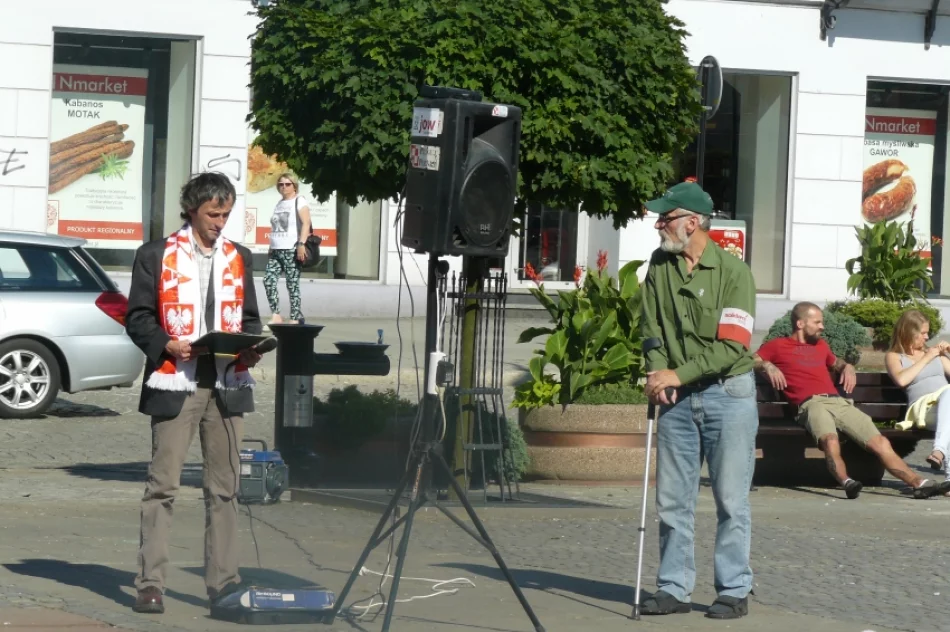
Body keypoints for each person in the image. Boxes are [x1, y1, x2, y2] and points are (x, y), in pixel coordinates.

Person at [125, 172, 263, 614]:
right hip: (175, 380)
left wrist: (253, 347)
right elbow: (139, 317)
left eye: (226, 214)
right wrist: (165, 343)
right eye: (213, 214)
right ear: (191, 209)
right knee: (162, 486)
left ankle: (223, 583)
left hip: (226, 383)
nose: (220, 222)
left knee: (224, 489)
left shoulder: (238, 257)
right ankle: (151, 584)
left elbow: (250, 320)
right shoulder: (155, 255)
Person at [639, 181, 758, 620]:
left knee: (730, 498)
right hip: (675, 397)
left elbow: (733, 347)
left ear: (692, 222)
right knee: (672, 499)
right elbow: (650, 325)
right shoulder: (659, 264)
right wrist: (657, 371)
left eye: (666, 218)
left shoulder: (734, 273)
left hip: (728, 395)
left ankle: (733, 589)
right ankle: (673, 587)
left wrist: (677, 372)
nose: (658, 225)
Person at [754, 302, 950, 501]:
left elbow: (835, 362)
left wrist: (847, 366)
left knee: (880, 442)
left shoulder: (820, 346)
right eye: (817, 322)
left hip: (838, 403)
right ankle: (847, 481)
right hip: (809, 404)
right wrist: (767, 365)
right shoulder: (777, 346)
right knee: (830, 440)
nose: (823, 326)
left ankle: (919, 483)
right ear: (800, 324)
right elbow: (751, 359)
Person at [884, 309, 950, 473]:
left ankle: (940, 455)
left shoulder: (936, 354)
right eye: (923, 333)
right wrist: (927, 358)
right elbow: (901, 380)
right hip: (923, 409)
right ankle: (940, 450)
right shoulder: (895, 356)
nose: (927, 337)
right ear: (909, 332)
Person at [263, 172, 310, 327]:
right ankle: (276, 314)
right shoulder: (279, 203)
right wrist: (271, 246)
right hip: (276, 249)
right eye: (281, 184)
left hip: (291, 248)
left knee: (292, 284)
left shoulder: (299, 201)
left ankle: (295, 317)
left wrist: (301, 244)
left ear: (294, 185)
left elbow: (306, 223)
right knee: (268, 280)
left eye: (287, 184)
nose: (284, 187)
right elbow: (276, 226)